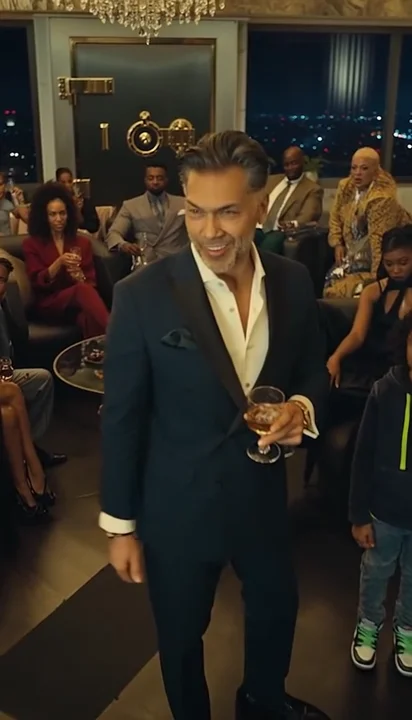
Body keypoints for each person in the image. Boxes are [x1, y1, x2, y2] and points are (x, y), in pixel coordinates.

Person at [100, 131, 330, 720]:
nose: (209, 231)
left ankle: (262, 701)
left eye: (227, 212)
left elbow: (312, 369)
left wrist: (301, 410)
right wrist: (120, 525)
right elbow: (122, 417)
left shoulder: (293, 281)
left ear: (260, 205)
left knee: (276, 610)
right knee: (180, 637)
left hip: (263, 495)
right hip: (177, 506)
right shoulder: (140, 295)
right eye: (196, 212)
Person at [349, 311, 412, 677]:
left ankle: (407, 628)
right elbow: (362, 456)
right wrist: (359, 515)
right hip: (384, 513)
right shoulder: (385, 392)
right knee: (376, 572)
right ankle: (369, 623)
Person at [0, 256, 67, 471]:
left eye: (2, 280)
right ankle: (26, 452)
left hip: (6, 372)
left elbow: (19, 338)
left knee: (43, 380)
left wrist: (5, 305)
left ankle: (28, 444)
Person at [327, 226, 412, 389]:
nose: (395, 270)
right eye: (389, 264)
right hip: (371, 365)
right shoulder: (373, 291)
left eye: (403, 263)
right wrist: (336, 357)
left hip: (401, 370)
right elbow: (357, 334)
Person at [23, 183, 109, 339]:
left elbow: (90, 284)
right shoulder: (32, 244)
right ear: (44, 216)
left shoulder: (82, 243)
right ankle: (117, 333)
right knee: (81, 291)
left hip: (76, 304)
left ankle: (96, 353)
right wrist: (59, 263)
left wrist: (79, 276)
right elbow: (37, 281)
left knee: (87, 318)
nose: (59, 219)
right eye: (52, 214)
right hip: (49, 303)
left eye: (62, 213)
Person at [325, 147, 411, 298]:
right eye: (354, 168)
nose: (357, 173)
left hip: (373, 259)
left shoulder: (382, 198)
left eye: (364, 168)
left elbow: (379, 242)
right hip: (351, 255)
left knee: (347, 291)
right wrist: (337, 243)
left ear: (375, 171)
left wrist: (376, 280)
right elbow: (335, 216)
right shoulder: (346, 186)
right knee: (330, 285)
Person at [106, 162, 187, 263]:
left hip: (176, 259)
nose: (155, 182)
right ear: (145, 180)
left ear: (166, 180)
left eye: (159, 178)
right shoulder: (131, 205)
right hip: (146, 260)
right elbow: (114, 233)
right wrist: (123, 245)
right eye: (151, 178)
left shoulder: (183, 203)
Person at [258, 147, 323, 255]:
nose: (290, 168)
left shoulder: (312, 189)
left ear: (302, 162)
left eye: (293, 163)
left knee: (270, 244)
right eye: (286, 164)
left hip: (280, 231)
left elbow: (309, 214)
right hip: (259, 227)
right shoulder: (271, 180)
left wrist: (293, 224)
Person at [56, 167, 100, 235]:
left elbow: (93, 227)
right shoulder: (53, 203)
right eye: (63, 182)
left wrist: (78, 211)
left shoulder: (84, 201)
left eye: (69, 181)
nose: (67, 185)